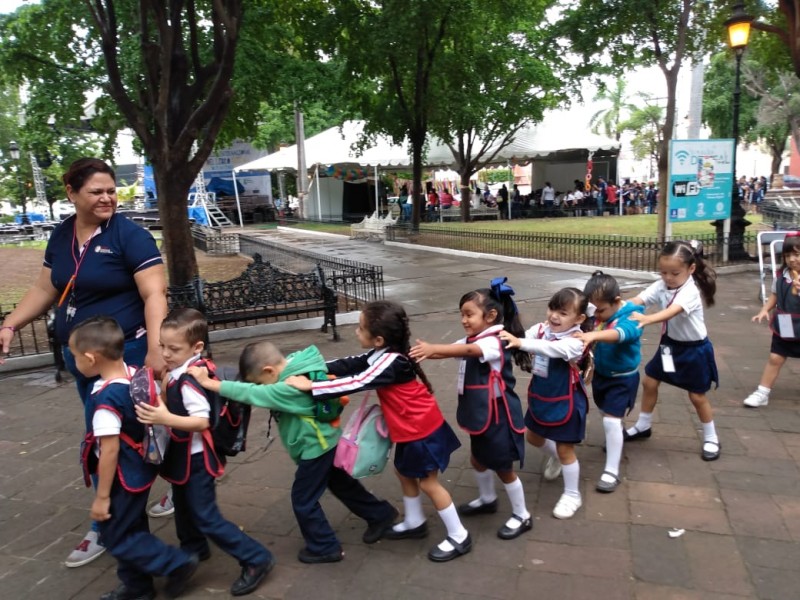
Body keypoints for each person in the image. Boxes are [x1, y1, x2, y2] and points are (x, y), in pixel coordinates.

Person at [0, 157, 167, 568]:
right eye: (96, 191)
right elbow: (45, 286)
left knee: (117, 439)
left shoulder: (131, 236)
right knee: (112, 432)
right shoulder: (60, 236)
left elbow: (154, 295)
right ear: (71, 193)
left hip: (124, 355)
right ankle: (165, 489)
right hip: (84, 359)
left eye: (111, 190)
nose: (107, 197)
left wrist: (156, 348)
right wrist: (12, 323)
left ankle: (110, 522)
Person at [187, 340, 397, 564]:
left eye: (262, 382)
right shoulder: (297, 363)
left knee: (303, 499)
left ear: (269, 370)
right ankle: (381, 515)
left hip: (314, 448)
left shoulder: (287, 388)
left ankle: (325, 546)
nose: (262, 388)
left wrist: (207, 383)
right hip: (325, 441)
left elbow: (247, 392)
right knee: (341, 484)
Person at [290, 301, 470, 562]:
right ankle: (415, 521)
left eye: (360, 328)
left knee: (429, 483)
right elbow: (352, 364)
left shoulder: (391, 362)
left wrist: (311, 386)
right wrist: (315, 368)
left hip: (422, 430)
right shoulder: (381, 354)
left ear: (378, 339)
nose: (356, 332)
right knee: (404, 471)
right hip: (410, 429)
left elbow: (358, 381)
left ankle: (459, 535)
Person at [134, 308, 274, 597]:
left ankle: (256, 558)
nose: (166, 353)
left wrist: (164, 418)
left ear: (196, 347)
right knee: (184, 506)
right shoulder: (182, 371)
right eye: (162, 346)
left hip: (197, 459)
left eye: (174, 348)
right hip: (184, 458)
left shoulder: (189, 380)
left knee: (206, 515)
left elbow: (202, 421)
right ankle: (193, 548)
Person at [70, 316, 198, 600]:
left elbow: (110, 450)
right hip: (139, 470)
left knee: (115, 534)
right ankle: (138, 587)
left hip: (122, 477)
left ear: (91, 359)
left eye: (76, 357)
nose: (74, 363)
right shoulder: (133, 373)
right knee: (132, 526)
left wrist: (102, 496)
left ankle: (174, 564)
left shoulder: (107, 401)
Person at [409, 278, 533, 542]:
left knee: (504, 467)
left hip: (499, 413)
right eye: (461, 314)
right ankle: (488, 498)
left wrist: (433, 349)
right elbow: (454, 350)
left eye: (469, 314)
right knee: (478, 458)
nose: (464, 320)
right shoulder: (475, 336)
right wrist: (423, 353)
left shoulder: (494, 340)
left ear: (490, 315)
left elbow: (468, 350)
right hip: (480, 412)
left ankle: (522, 515)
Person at [625, 241, 721, 461]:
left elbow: (672, 312)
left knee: (697, 396)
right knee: (649, 382)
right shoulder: (661, 285)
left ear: (691, 269)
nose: (667, 277)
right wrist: (619, 307)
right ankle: (644, 425)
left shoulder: (690, 292)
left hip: (694, 349)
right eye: (663, 272)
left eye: (674, 273)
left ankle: (711, 436)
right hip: (670, 345)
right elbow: (640, 299)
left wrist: (647, 318)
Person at [499, 288, 590, 519]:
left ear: (579, 319)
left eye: (563, 312)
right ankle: (560, 460)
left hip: (566, 400)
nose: (554, 316)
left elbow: (550, 349)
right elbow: (520, 336)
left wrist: (520, 342)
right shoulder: (541, 329)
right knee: (534, 437)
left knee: (564, 447)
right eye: (552, 308)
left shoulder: (576, 341)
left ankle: (572, 494)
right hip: (541, 397)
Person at [575, 272, 644, 493]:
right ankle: (618, 434)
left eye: (601, 310)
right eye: (594, 310)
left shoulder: (633, 316)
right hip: (602, 376)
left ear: (616, 301)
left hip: (623, 379)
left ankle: (611, 471)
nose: (597, 316)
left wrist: (594, 336)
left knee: (611, 421)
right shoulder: (597, 314)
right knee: (606, 414)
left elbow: (621, 334)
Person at [743, 233, 800, 407]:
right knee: (775, 358)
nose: (791, 259)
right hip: (784, 323)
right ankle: (763, 392)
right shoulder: (781, 274)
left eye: (796, 254)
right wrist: (764, 310)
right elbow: (775, 295)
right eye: (787, 255)